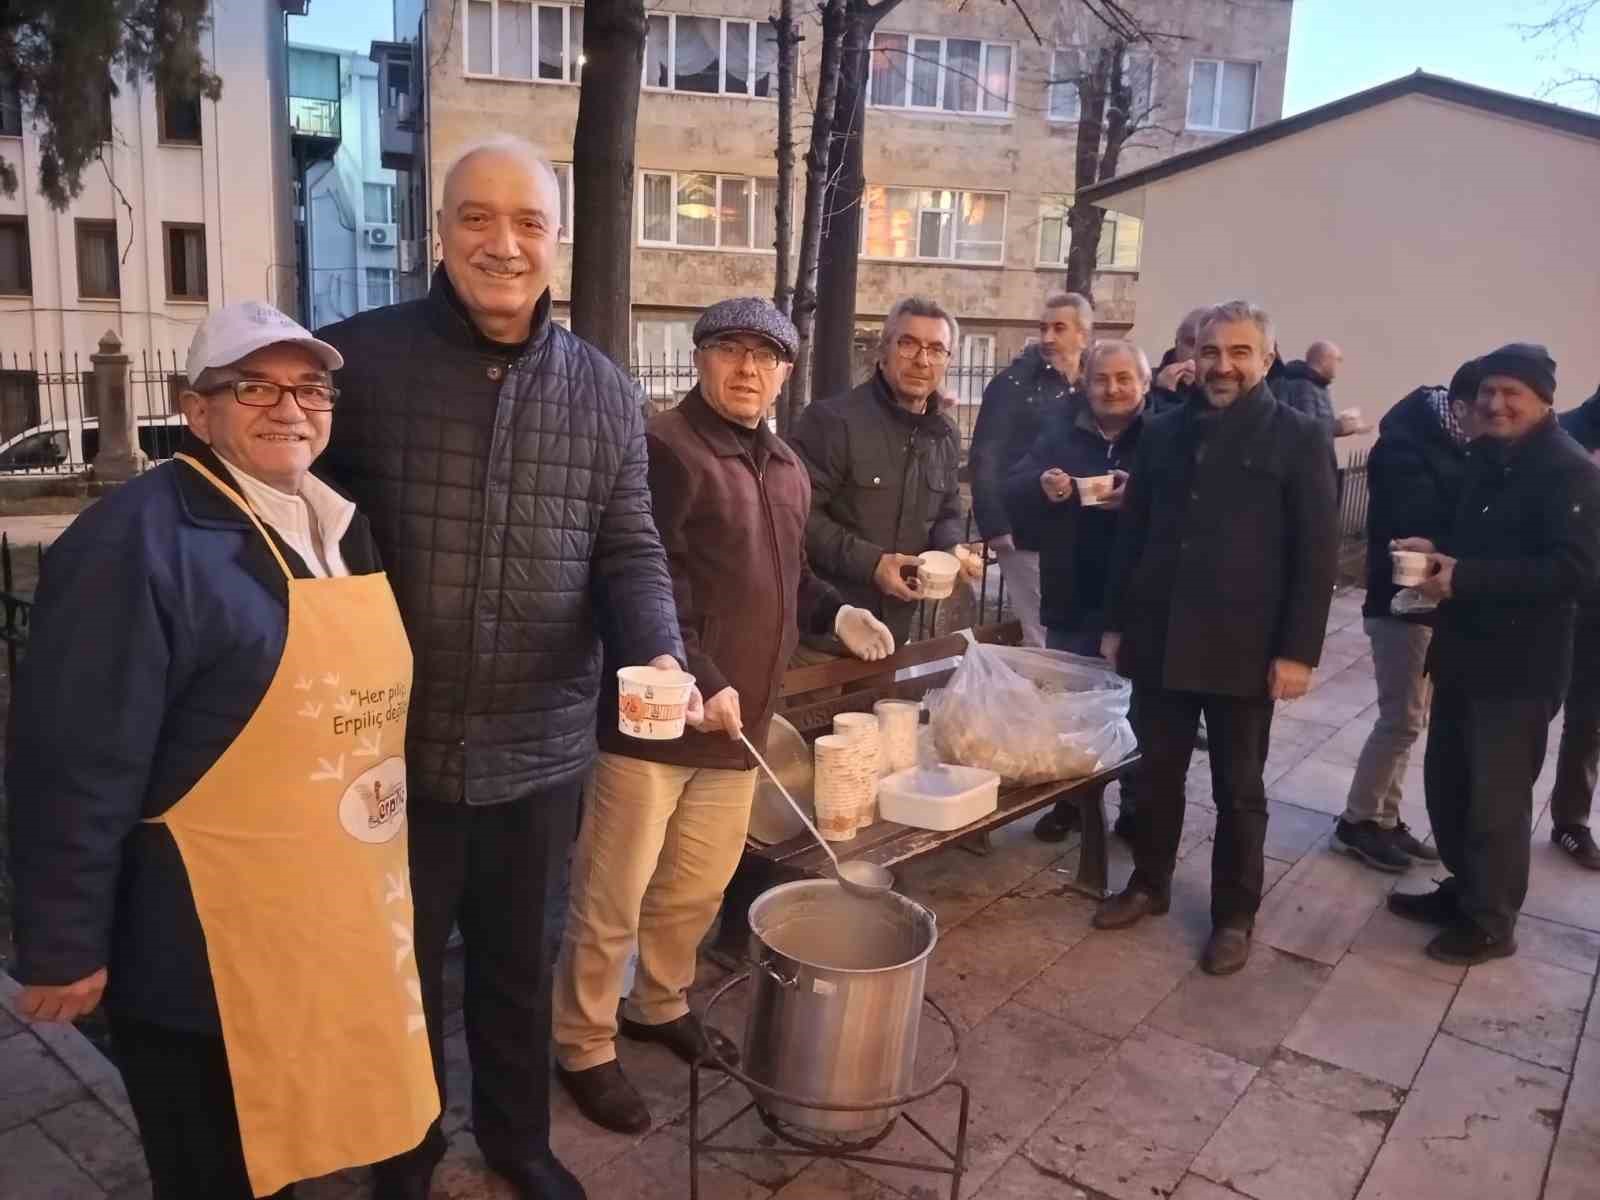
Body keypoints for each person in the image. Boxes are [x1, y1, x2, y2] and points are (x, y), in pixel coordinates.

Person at [317, 136, 688, 1200]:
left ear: (556, 241)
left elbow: (629, 546)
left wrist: (657, 648)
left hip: (541, 745)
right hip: (392, 748)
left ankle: (519, 1141)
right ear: (441, 231)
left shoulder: (606, 393)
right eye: (478, 217)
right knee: (401, 974)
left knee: (519, 969)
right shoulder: (360, 363)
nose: (503, 243)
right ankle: (406, 1146)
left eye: (527, 222)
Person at [7, 303, 438, 1198]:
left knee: (299, 1142)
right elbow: (76, 759)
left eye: (309, 386)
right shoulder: (135, 541)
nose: (290, 406)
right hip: (202, 942)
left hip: (331, 920)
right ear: (194, 410)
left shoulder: (335, 523)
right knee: (216, 1166)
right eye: (254, 386)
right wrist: (62, 942)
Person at [552, 298, 894, 1133]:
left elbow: (788, 575)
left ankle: (659, 1002)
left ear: (785, 372)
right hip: (657, 718)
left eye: (766, 356)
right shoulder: (665, 447)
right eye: (730, 350)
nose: (748, 369)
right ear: (701, 358)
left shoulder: (783, 465)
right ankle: (582, 1042)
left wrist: (836, 614)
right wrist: (700, 676)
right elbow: (642, 574)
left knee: (696, 890)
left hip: (740, 728)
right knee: (612, 893)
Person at [1095, 300, 1339, 976]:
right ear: (1193, 356)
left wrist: (1297, 652)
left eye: (1239, 353)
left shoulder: (1298, 436)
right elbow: (1134, 536)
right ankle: (1149, 882)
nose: (1223, 365)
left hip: (1245, 647)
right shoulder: (1164, 432)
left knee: (1240, 789)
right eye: (1211, 352)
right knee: (1155, 775)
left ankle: (1236, 914)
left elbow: (1316, 556)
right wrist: (1116, 622)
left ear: (1266, 358)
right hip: (1162, 637)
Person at [1390, 345, 1600, 964]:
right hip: (1461, 654)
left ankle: (1491, 922)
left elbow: (1576, 573)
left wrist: (1468, 578)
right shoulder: (1486, 456)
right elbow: (1473, 541)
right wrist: (1436, 550)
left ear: (1543, 400)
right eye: (1487, 392)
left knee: (1497, 802)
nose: (1495, 403)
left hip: (1519, 669)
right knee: (1450, 786)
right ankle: (1465, 889)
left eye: (1512, 392)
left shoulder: (1570, 472)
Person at [1004, 338, 1149, 842]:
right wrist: (1043, 484)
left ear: (1144, 384)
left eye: (1123, 378)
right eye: (1101, 379)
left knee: (1135, 710)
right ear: (1085, 384)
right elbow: (1017, 482)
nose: (1112, 388)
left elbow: (1185, 504)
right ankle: (1069, 804)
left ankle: (1134, 804)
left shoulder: (1161, 434)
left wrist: (1139, 497)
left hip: (1136, 599)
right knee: (1070, 708)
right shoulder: (1061, 430)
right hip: (1071, 592)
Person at [1334, 364, 1477, 872]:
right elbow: (1412, 522)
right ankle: (1356, 822)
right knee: (1400, 719)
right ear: (1459, 408)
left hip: (1427, 605)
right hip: (1400, 603)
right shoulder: (1404, 448)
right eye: (1483, 409)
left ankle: (1385, 820)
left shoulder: (1445, 443)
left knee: (1409, 720)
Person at [790, 296, 981, 651]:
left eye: (936, 349)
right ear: (884, 349)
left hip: (895, 633)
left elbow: (947, 511)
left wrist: (952, 548)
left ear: (948, 361)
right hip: (826, 634)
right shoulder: (833, 422)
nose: (922, 360)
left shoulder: (945, 434)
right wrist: (873, 564)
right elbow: (797, 517)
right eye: (908, 344)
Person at [968, 292, 1092, 646]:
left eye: (1059, 328)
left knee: (1074, 636)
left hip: (1078, 531)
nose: (1049, 337)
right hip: (1027, 530)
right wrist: (994, 524)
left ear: (1084, 335)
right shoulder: (1014, 385)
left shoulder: (1092, 384)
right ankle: (1046, 700)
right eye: (1044, 328)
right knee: (1044, 636)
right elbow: (986, 454)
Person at [1550, 381, 1600, 868]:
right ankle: (1497, 821)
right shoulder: (1564, 434)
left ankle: (1571, 821)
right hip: (1558, 602)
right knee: (1525, 715)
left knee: (1590, 719)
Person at [1274, 340, 1367, 438]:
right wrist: (1340, 426)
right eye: (1338, 359)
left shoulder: (1318, 385)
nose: (1340, 363)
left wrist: (1347, 428)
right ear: (1324, 360)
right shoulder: (1303, 385)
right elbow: (1306, 428)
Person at [1147, 306, 1209, 414]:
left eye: (1206, 346)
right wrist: (1162, 394)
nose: (1196, 353)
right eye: (1191, 343)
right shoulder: (1146, 382)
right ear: (1177, 343)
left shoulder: (1224, 386)